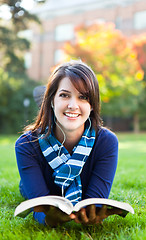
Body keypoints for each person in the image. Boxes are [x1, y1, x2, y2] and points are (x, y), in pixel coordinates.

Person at [15, 60, 120, 227]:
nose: (73, 105)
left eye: (83, 97)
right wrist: (48, 219)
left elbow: (95, 200)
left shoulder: (106, 142)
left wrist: (93, 214)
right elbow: (39, 208)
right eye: (64, 95)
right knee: (25, 188)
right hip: (34, 182)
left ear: (92, 105)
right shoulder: (26, 145)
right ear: (51, 100)